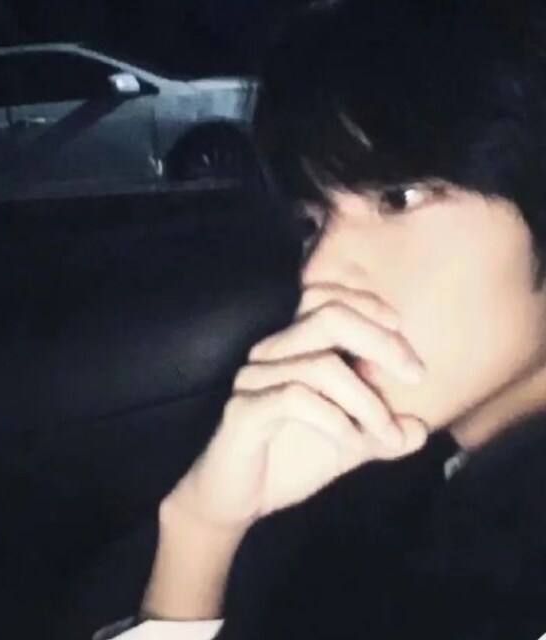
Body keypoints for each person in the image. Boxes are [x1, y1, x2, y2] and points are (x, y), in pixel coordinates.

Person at [75, 0, 546, 638]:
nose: (319, 270)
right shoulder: (384, 484)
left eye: (398, 197)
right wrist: (202, 531)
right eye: (313, 222)